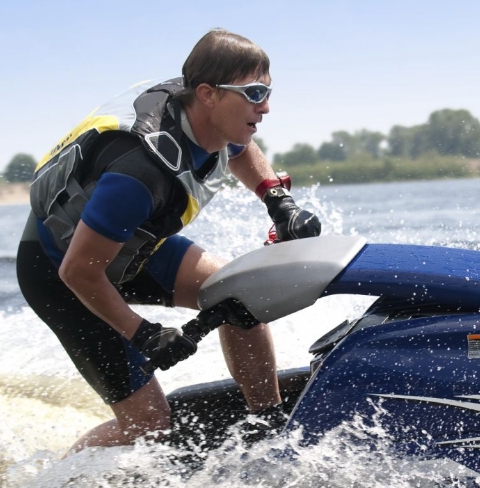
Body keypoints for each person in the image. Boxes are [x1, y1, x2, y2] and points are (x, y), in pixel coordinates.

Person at [16, 29, 320, 454]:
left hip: (130, 250)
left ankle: (267, 428)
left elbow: (239, 147)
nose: (265, 107)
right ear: (208, 94)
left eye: (267, 92)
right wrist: (143, 334)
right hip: (61, 273)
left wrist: (277, 200)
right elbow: (79, 272)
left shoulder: (208, 114)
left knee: (239, 297)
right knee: (149, 425)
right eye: (253, 94)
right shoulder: (139, 175)